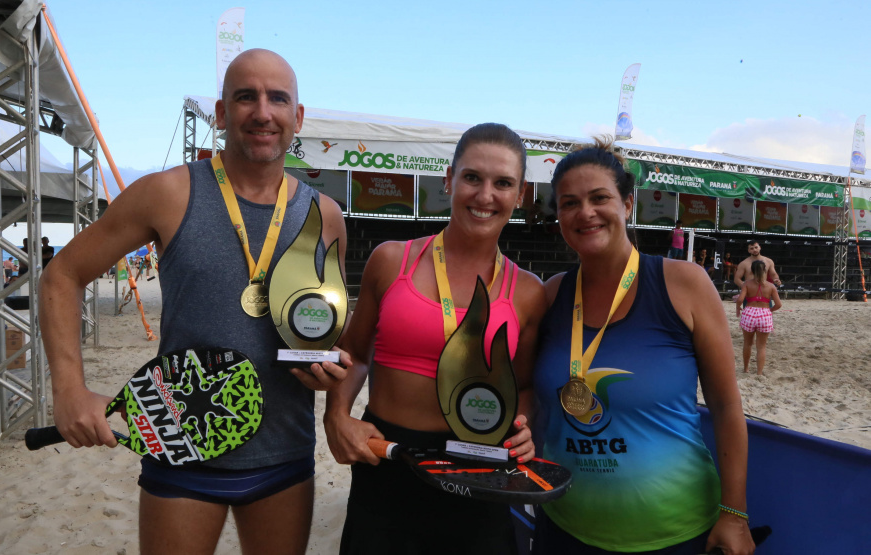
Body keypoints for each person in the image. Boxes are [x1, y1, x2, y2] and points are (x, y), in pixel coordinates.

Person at [39, 49, 349, 555]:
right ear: (222, 114)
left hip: (285, 455)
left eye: (278, 99)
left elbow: (329, 327)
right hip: (181, 448)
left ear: (298, 117)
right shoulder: (167, 193)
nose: (262, 111)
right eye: (245, 96)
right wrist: (70, 389)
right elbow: (62, 275)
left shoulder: (325, 215)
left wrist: (328, 367)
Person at [324, 123, 545, 554]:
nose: (485, 196)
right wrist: (336, 417)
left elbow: (523, 385)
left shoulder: (529, 291)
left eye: (503, 183)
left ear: (520, 196)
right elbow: (354, 352)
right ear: (449, 180)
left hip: (480, 470)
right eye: (472, 178)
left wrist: (522, 426)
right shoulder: (391, 261)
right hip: (387, 462)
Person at [532, 138, 754, 554]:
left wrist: (735, 513)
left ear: (628, 204)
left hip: (674, 530)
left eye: (600, 198)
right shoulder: (550, 296)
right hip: (564, 527)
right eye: (569, 203)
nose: (585, 213)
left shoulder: (684, 283)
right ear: (558, 214)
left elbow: (726, 407)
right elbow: (528, 402)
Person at [736, 260, 781, 375]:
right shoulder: (770, 286)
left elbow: (740, 299)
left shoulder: (747, 284)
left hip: (749, 312)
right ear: (765, 270)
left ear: (752, 271)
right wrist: (769, 311)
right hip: (764, 313)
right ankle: (759, 372)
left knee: (747, 343)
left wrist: (738, 308)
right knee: (761, 346)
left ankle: (746, 368)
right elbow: (778, 304)